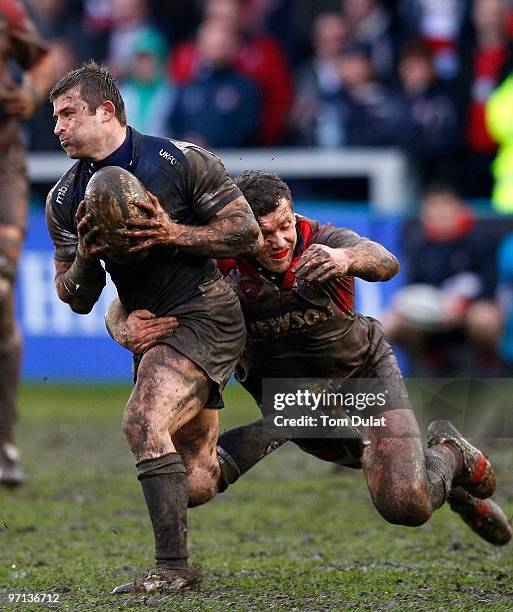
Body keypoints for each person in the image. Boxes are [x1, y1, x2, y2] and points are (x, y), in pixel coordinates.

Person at [107, 170, 511, 554]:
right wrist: (124, 328)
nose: (280, 240)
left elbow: (384, 261)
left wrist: (345, 260)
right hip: (292, 406)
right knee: (191, 487)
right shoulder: (213, 262)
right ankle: (445, 479)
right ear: (241, 228)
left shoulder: (321, 239)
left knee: (405, 504)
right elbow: (120, 306)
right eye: (264, 233)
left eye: (284, 224)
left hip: (362, 382)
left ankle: (450, 455)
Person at [45, 61, 263, 594]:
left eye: (69, 114)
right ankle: (290, 421)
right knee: (196, 480)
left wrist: (172, 232)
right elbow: (74, 297)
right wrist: (84, 262)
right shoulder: (64, 199)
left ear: (107, 111)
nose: (58, 128)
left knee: (143, 422)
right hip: (153, 329)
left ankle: (172, 571)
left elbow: (246, 234)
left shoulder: (180, 160)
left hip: (206, 314)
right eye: (54, 118)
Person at [0, 0, 55, 486]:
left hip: (4, 169)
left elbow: (42, 57)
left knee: (0, 292)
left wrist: (33, 92)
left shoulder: (6, 12)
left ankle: (5, 442)